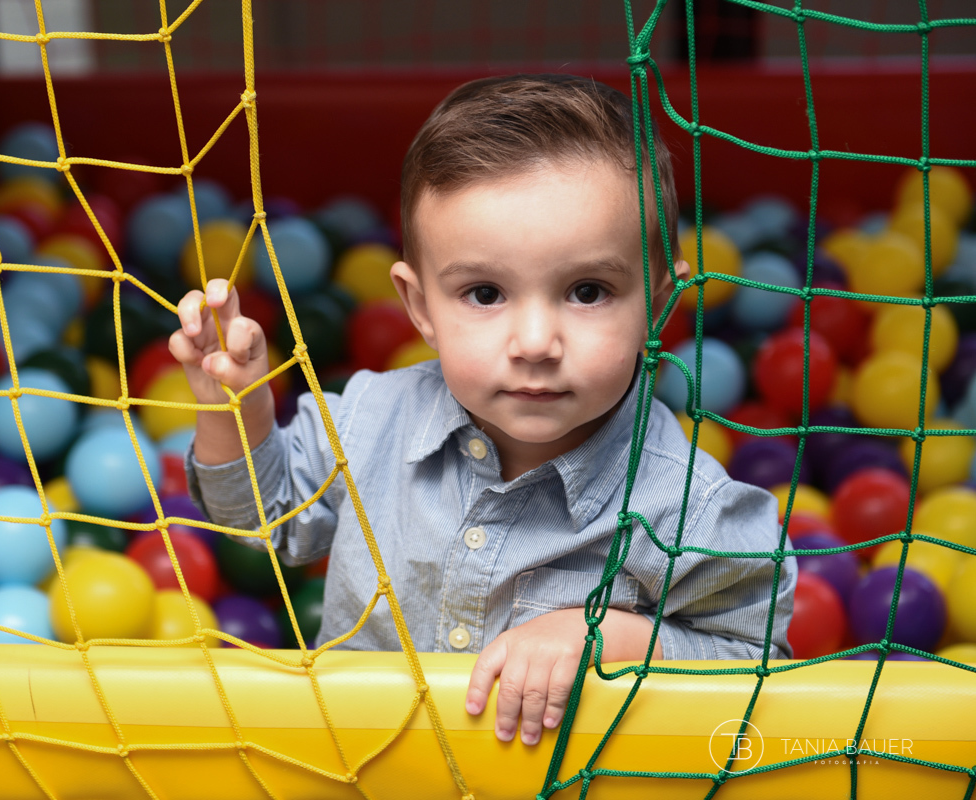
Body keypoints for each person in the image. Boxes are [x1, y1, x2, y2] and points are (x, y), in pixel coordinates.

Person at [169, 74, 797, 748]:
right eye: (485, 293)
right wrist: (235, 411)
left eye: (587, 291)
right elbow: (263, 525)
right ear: (420, 308)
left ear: (660, 304)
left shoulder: (686, 507)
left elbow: (762, 663)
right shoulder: (368, 422)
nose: (534, 343)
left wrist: (617, 637)